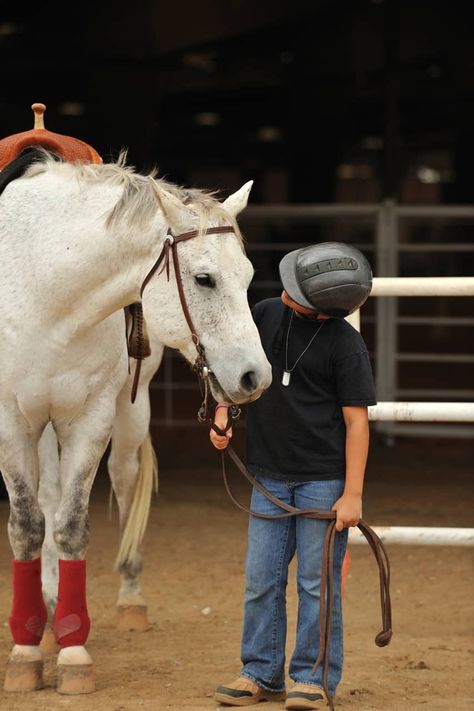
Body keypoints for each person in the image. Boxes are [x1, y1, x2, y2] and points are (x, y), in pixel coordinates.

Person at [210, 242, 377, 709]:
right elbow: (237, 367)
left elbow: (356, 423)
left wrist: (353, 495)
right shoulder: (264, 314)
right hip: (267, 474)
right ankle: (260, 672)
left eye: (296, 293)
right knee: (261, 580)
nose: (284, 294)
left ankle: (313, 677)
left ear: (324, 311)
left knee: (316, 585)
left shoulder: (346, 346)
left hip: (322, 481)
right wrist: (224, 410)